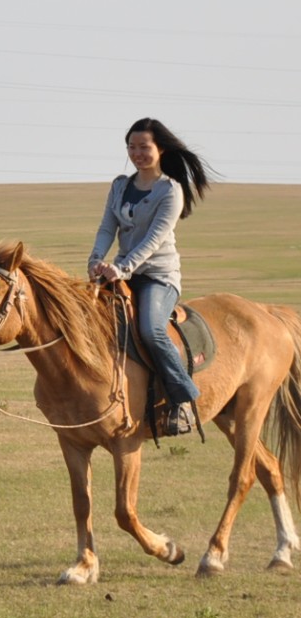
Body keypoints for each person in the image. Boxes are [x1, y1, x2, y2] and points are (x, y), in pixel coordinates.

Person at [88, 118, 212, 438]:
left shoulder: (170, 191)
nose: (137, 153)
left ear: (160, 149)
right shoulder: (119, 186)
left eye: (144, 147)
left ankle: (182, 399)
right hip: (121, 274)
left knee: (151, 329)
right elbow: (107, 228)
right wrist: (96, 260)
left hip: (158, 277)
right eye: (132, 147)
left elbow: (153, 240)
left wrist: (123, 268)